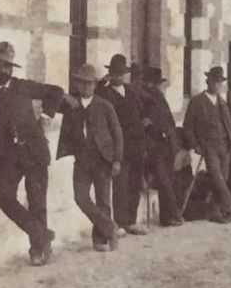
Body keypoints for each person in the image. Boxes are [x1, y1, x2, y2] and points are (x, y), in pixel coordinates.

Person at [0, 40, 67, 265]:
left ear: (12, 68)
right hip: (8, 157)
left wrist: (46, 118)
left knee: (37, 201)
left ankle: (38, 250)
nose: (2, 71)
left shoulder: (23, 86)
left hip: (33, 151)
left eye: (6, 66)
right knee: (5, 198)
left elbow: (56, 92)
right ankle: (42, 234)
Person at [58, 63, 124, 251]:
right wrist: (63, 95)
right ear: (77, 84)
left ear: (95, 85)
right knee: (80, 197)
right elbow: (54, 104)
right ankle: (110, 227)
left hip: (103, 159)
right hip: (82, 160)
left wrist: (117, 160)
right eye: (82, 83)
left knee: (103, 201)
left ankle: (100, 240)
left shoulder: (105, 106)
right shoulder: (71, 105)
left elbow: (117, 133)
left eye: (89, 83)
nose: (85, 86)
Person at [97, 55, 150, 236]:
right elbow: (92, 97)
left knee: (134, 183)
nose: (118, 76)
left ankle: (131, 221)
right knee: (120, 185)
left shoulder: (131, 91)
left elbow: (148, 105)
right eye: (115, 73)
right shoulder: (105, 93)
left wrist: (146, 119)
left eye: (121, 73)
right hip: (119, 146)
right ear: (110, 74)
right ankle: (119, 222)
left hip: (137, 145)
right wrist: (101, 83)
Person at [183, 67, 231, 223]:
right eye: (215, 82)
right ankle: (229, 204)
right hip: (209, 146)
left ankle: (216, 211)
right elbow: (188, 126)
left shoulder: (223, 102)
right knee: (217, 177)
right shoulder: (197, 101)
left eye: (220, 82)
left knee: (222, 179)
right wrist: (195, 144)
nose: (217, 85)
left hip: (225, 146)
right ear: (208, 82)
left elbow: (229, 126)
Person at [136, 67, 186, 227]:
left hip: (166, 144)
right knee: (164, 181)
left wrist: (174, 142)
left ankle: (167, 217)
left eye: (158, 84)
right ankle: (175, 213)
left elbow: (169, 121)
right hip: (152, 146)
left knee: (169, 179)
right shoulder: (142, 99)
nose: (157, 87)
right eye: (154, 83)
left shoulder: (159, 98)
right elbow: (143, 122)